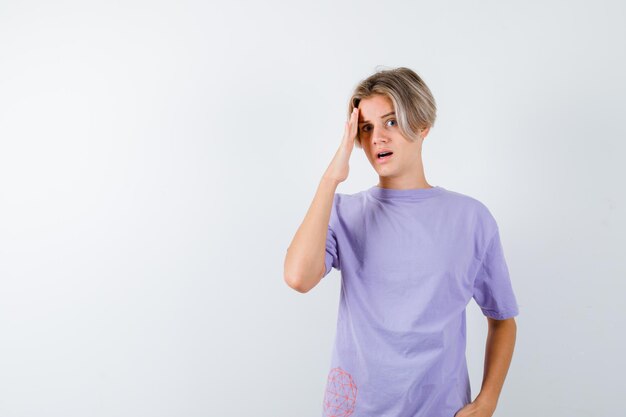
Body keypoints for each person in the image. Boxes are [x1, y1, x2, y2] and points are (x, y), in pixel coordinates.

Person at [283, 67, 519, 417]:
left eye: (391, 122)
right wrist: (331, 178)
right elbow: (298, 278)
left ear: (422, 125)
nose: (377, 137)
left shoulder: (471, 219)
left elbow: (502, 319)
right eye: (366, 128)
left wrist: (487, 401)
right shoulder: (344, 213)